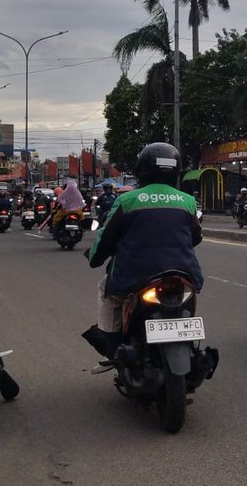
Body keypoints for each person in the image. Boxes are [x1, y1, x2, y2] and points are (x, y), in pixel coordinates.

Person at [83, 142, 203, 363]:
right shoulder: (187, 201)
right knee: (188, 296)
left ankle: (113, 348)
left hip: (133, 276)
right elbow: (196, 237)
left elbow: (105, 238)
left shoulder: (127, 200)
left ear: (142, 170)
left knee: (105, 289)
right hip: (182, 274)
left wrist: (95, 258)